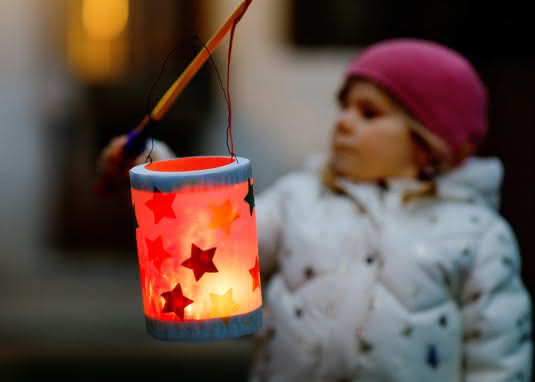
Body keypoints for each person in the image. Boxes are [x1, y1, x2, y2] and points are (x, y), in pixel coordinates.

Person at [97, 38, 532, 381]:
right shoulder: (299, 199)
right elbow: (212, 242)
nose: (344, 121)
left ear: (429, 144)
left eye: (369, 113)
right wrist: (150, 166)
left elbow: (498, 353)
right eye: (344, 107)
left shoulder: (477, 235)